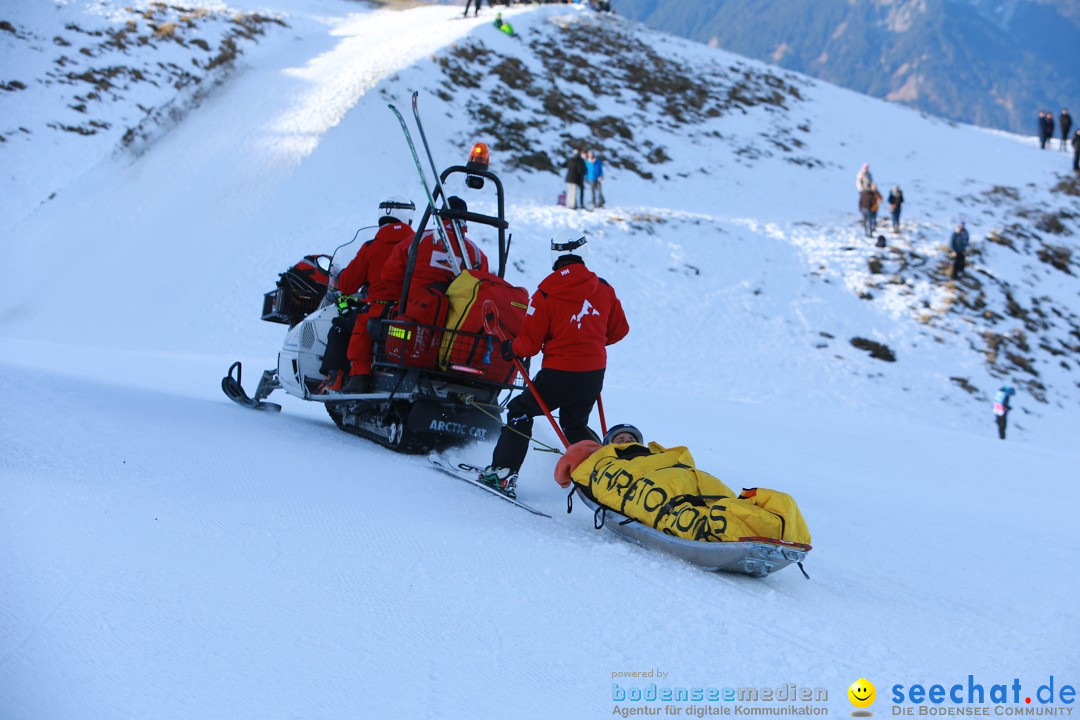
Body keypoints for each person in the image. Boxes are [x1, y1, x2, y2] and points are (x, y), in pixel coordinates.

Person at [480, 229, 629, 497]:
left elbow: (529, 345)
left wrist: (509, 347)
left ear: (554, 255)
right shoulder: (604, 288)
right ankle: (612, 473)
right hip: (593, 374)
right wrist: (588, 341)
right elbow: (619, 330)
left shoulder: (545, 294)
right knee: (574, 423)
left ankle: (501, 474)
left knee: (519, 412)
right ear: (583, 253)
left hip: (559, 373)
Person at [551, 432, 812, 546]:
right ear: (608, 445)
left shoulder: (659, 453)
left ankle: (771, 523)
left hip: (682, 476)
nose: (627, 440)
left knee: (732, 500)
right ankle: (752, 528)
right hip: (654, 488)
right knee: (687, 514)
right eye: (620, 439)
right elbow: (583, 467)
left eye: (631, 438)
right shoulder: (606, 460)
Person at [342, 196, 488, 394]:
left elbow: (389, 276)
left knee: (365, 322)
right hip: (451, 329)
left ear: (440, 216)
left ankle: (360, 376)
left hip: (410, 323)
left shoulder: (418, 242)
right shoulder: (476, 255)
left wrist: (403, 301)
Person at [318, 198, 415, 394]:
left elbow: (346, 284)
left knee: (340, 325)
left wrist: (343, 274)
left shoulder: (372, 247)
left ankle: (338, 378)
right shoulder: (420, 245)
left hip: (377, 311)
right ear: (409, 217)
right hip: (409, 314)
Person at [856, 163, 874, 237]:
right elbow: (858, 183)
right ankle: (867, 232)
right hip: (863, 193)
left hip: (868, 195)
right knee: (866, 219)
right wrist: (861, 190)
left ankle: (869, 232)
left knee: (869, 220)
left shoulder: (869, 174)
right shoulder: (860, 174)